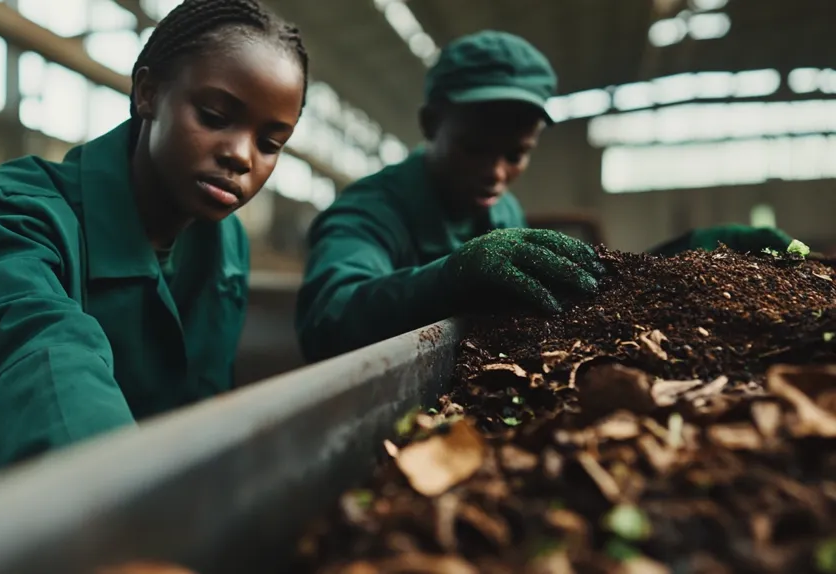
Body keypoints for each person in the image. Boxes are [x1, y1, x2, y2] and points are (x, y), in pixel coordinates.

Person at [0, 0, 308, 524]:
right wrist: (120, 512)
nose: (242, 155)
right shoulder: (6, 214)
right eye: (215, 117)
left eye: (271, 143)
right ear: (147, 92)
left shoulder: (225, 244)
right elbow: (38, 350)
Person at [295, 30, 793, 363]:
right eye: (473, 148)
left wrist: (682, 256)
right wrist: (449, 276)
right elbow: (328, 318)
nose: (495, 172)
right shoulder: (369, 211)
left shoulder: (501, 208)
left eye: (516, 153)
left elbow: (567, 292)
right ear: (431, 125)